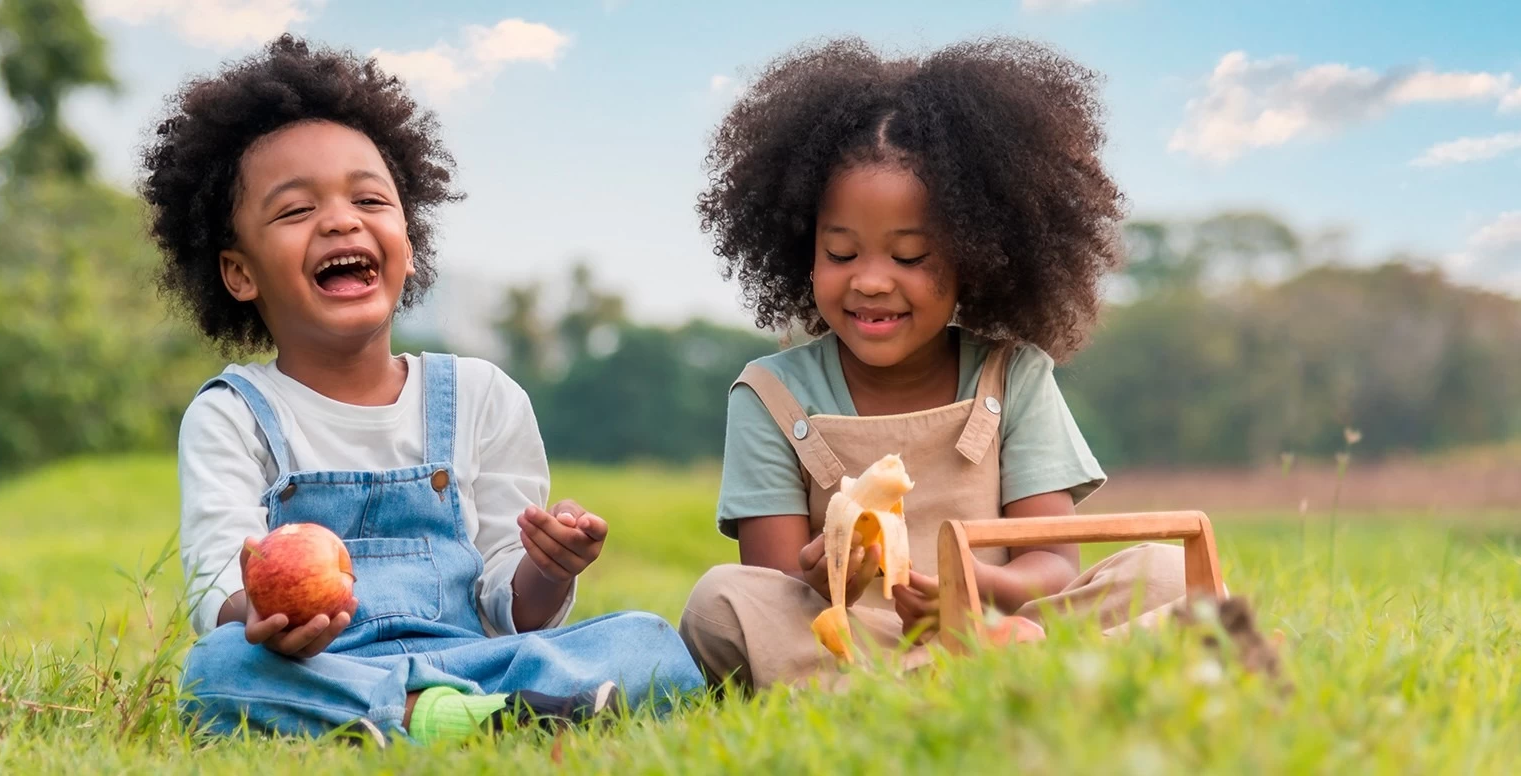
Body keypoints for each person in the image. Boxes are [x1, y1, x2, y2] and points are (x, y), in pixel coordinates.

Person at [140, 35, 705, 744]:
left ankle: (439, 715)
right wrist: (261, 619)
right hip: (326, 665)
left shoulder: (482, 395)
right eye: (293, 211)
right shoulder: (235, 415)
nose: (342, 220)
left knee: (650, 641)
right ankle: (443, 717)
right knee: (218, 668)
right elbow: (217, 585)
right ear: (239, 272)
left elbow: (511, 611)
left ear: (408, 241)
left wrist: (546, 568)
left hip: (480, 658)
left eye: (370, 199)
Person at [677, 36, 1190, 692]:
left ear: (977, 255)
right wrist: (825, 568)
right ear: (802, 250)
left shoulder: (1013, 376)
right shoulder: (771, 394)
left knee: (1165, 572)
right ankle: (1028, 676)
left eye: (910, 257)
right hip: (856, 636)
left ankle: (962, 673)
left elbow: (1054, 566)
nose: (869, 282)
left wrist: (971, 589)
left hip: (1001, 617)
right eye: (841, 254)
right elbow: (773, 589)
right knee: (721, 602)